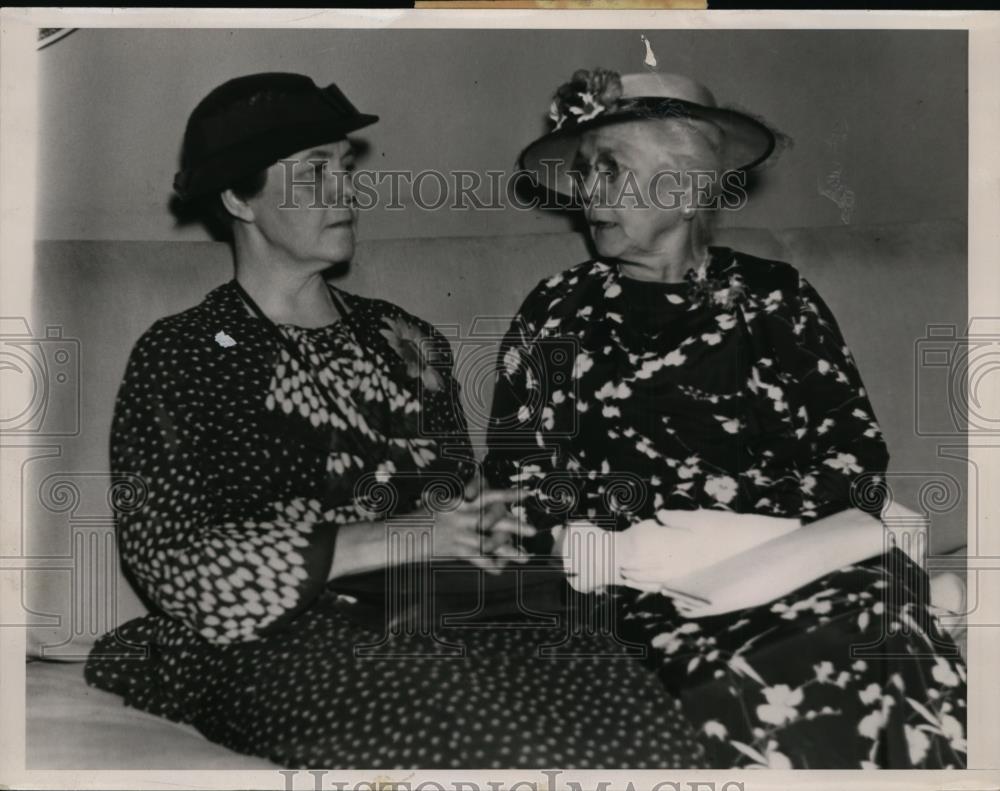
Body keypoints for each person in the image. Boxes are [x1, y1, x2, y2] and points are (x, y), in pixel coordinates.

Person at [84, 72, 710, 769]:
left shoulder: (406, 340)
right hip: (281, 635)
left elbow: (451, 511)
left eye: (345, 167)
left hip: (450, 610)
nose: (346, 188)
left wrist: (488, 526)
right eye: (312, 172)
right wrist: (403, 535)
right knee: (490, 740)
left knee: (646, 726)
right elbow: (174, 565)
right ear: (238, 197)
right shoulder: (181, 355)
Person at [486, 68, 968, 769]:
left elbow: (851, 460)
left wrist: (738, 535)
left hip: (788, 561)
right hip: (638, 587)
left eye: (611, 171)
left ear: (687, 189)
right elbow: (514, 482)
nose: (589, 192)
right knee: (746, 672)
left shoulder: (773, 298)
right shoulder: (557, 310)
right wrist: (618, 546)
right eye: (585, 172)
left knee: (876, 615)